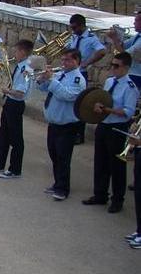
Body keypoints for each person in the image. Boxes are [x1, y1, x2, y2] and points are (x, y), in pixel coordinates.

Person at [83, 52, 138, 213]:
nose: (113, 68)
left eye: (116, 66)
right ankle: (100, 194)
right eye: (112, 65)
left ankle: (117, 200)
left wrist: (107, 109)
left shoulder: (130, 88)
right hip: (104, 125)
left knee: (117, 166)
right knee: (100, 162)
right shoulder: (109, 81)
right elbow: (102, 99)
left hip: (117, 128)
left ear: (126, 68)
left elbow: (128, 112)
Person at [36, 49, 87, 201]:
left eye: (67, 60)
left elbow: (67, 95)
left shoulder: (78, 79)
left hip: (67, 125)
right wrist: (42, 79)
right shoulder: (60, 74)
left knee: (63, 157)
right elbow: (43, 88)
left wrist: (52, 80)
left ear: (76, 61)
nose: (64, 63)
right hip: (54, 123)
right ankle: (57, 182)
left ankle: (63, 188)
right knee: (54, 154)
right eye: (63, 60)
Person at [0, 40, 35, 178]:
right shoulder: (20, 66)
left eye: (16, 51)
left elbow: (21, 92)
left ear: (23, 52)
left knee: (16, 138)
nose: (14, 54)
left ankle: (15, 169)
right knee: (4, 134)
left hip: (16, 104)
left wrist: (7, 90)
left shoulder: (26, 69)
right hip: (10, 102)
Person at [67, 13, 107, 144]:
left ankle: (79, 134)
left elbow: (102, 51)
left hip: (81, 73)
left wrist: (87, 63)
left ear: (82, 26)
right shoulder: (74, 37)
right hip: (71, 72)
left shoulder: (91, 38)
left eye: (75, 27)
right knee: (71, 101)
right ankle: (71, 131)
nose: (73, 30)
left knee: (80, 103)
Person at [108, 11, 141, 88]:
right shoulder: (138, 35)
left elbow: (125, 55)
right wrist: (118, 35)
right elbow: (123, 46)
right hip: (130, 73)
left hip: (136, 75)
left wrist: (114, 38)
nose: (134, 23)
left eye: (136, 21)